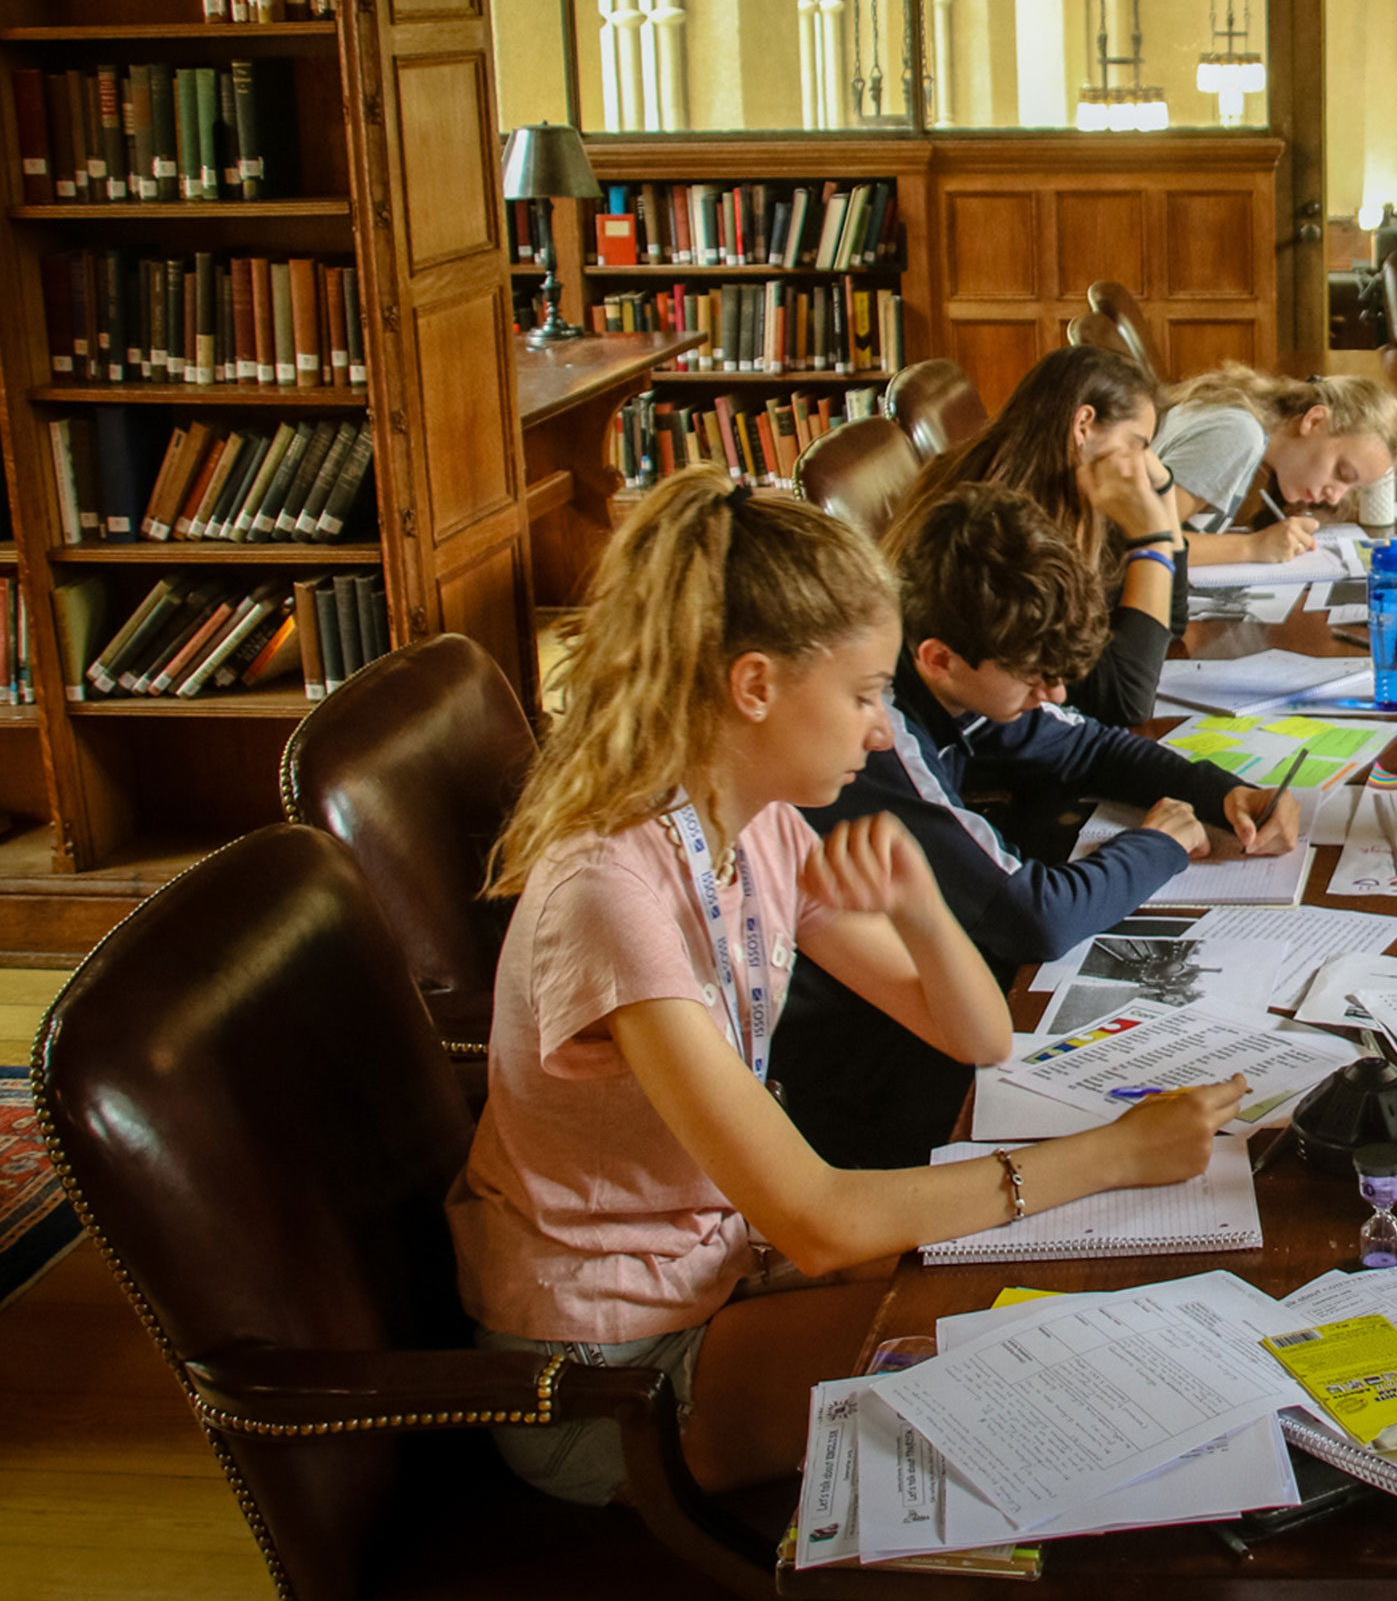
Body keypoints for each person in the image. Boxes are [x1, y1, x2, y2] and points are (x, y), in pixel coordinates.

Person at [447, 466, 1244, 1507]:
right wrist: (1104, 1156)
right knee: (1064, 1383)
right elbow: (819, 1215)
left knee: (1090, 1335)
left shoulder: (758, 821)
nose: (882, 732)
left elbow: (972, 1035)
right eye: (865, 694)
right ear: (755, 686)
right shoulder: (609, 890)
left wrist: (918, 901)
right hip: (607, 1374)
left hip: (724, 1275)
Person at [770, 486, 1301, 1171]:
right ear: (939, 659)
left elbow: (1091, 745)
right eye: (1033, 679)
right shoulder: (874, 740)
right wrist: (1160, 846)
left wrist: (1221, 791)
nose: (1052, 695)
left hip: (926, 1017)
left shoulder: (974, 671)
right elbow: (1033, 917)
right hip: (863, 1072)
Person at [896, 346, 1182, 726]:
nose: (1141, 463)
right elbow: (1124, 702)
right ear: (1084, 425)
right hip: (995, 744)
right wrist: (1152, 537)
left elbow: (1171, 626)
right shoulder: (1008, 531)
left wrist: (1163, 491)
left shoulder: (1071, 500)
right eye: (1138, 444)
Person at [1157, 364, 1397, 567]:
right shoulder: (1239, 434)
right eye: (1341, 473)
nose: (1334, 497)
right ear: (1314, 421)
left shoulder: (1249, 428)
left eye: (1351, 488)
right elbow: (1140, 543)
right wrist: (1252, 547)